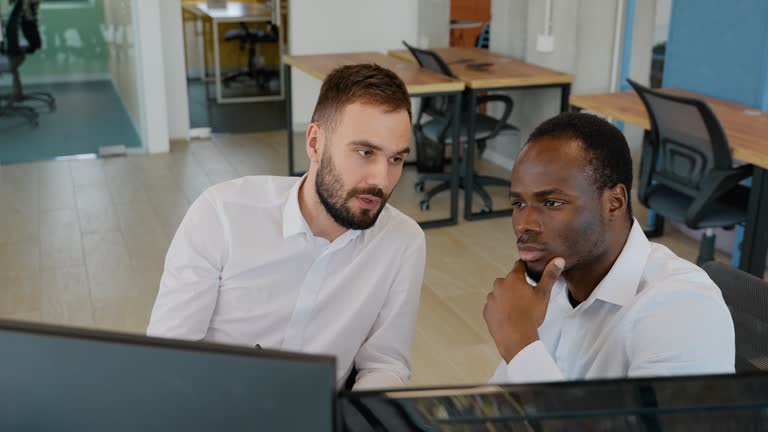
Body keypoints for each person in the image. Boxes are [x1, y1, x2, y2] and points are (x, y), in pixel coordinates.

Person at [147, 64, 426, 390]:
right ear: (315, 143)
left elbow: (385, 363)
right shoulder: (221, 215)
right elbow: (167, 359)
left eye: (396, 159)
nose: (382, 179)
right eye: (365, 152)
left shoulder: (403, 242)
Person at [483, 112, 735, 383]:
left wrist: (521, 345)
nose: (524, 224)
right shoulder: (552, 283)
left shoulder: (682, 309)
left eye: (552, 203)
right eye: (519, 204)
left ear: (614, 202)